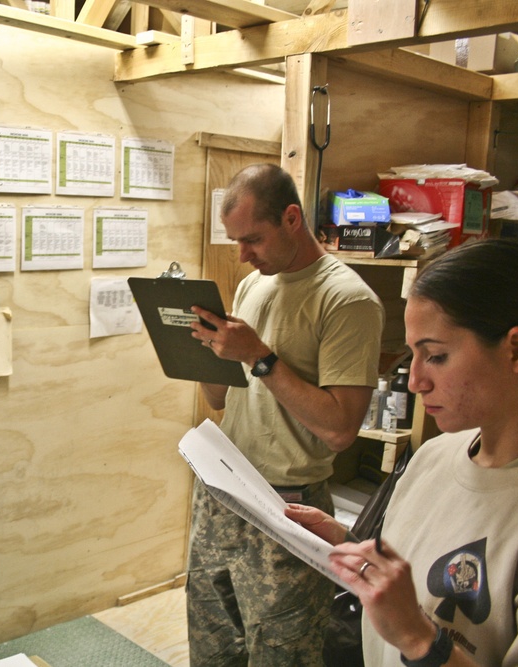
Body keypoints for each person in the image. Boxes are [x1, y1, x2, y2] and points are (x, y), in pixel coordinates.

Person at [287, 239, 518, 665]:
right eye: (412, 356)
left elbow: (416, 622)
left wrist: (420, 640)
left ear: (517, 350)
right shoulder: (433, 456)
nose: (416, 381)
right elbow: (423, 578)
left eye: (436, 356)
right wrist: (350, 546)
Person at [186, 163, 385, 665]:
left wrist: (259, 356)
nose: (242, 255)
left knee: (282, 653)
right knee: (213, 642)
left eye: (252, 239)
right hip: (223, 491)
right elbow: (221, 399)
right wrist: (200, 353)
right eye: (235, 241)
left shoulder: (347, 300)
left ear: (292, 218)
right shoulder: (255, 284)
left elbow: (341, 428)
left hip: (288, 505)